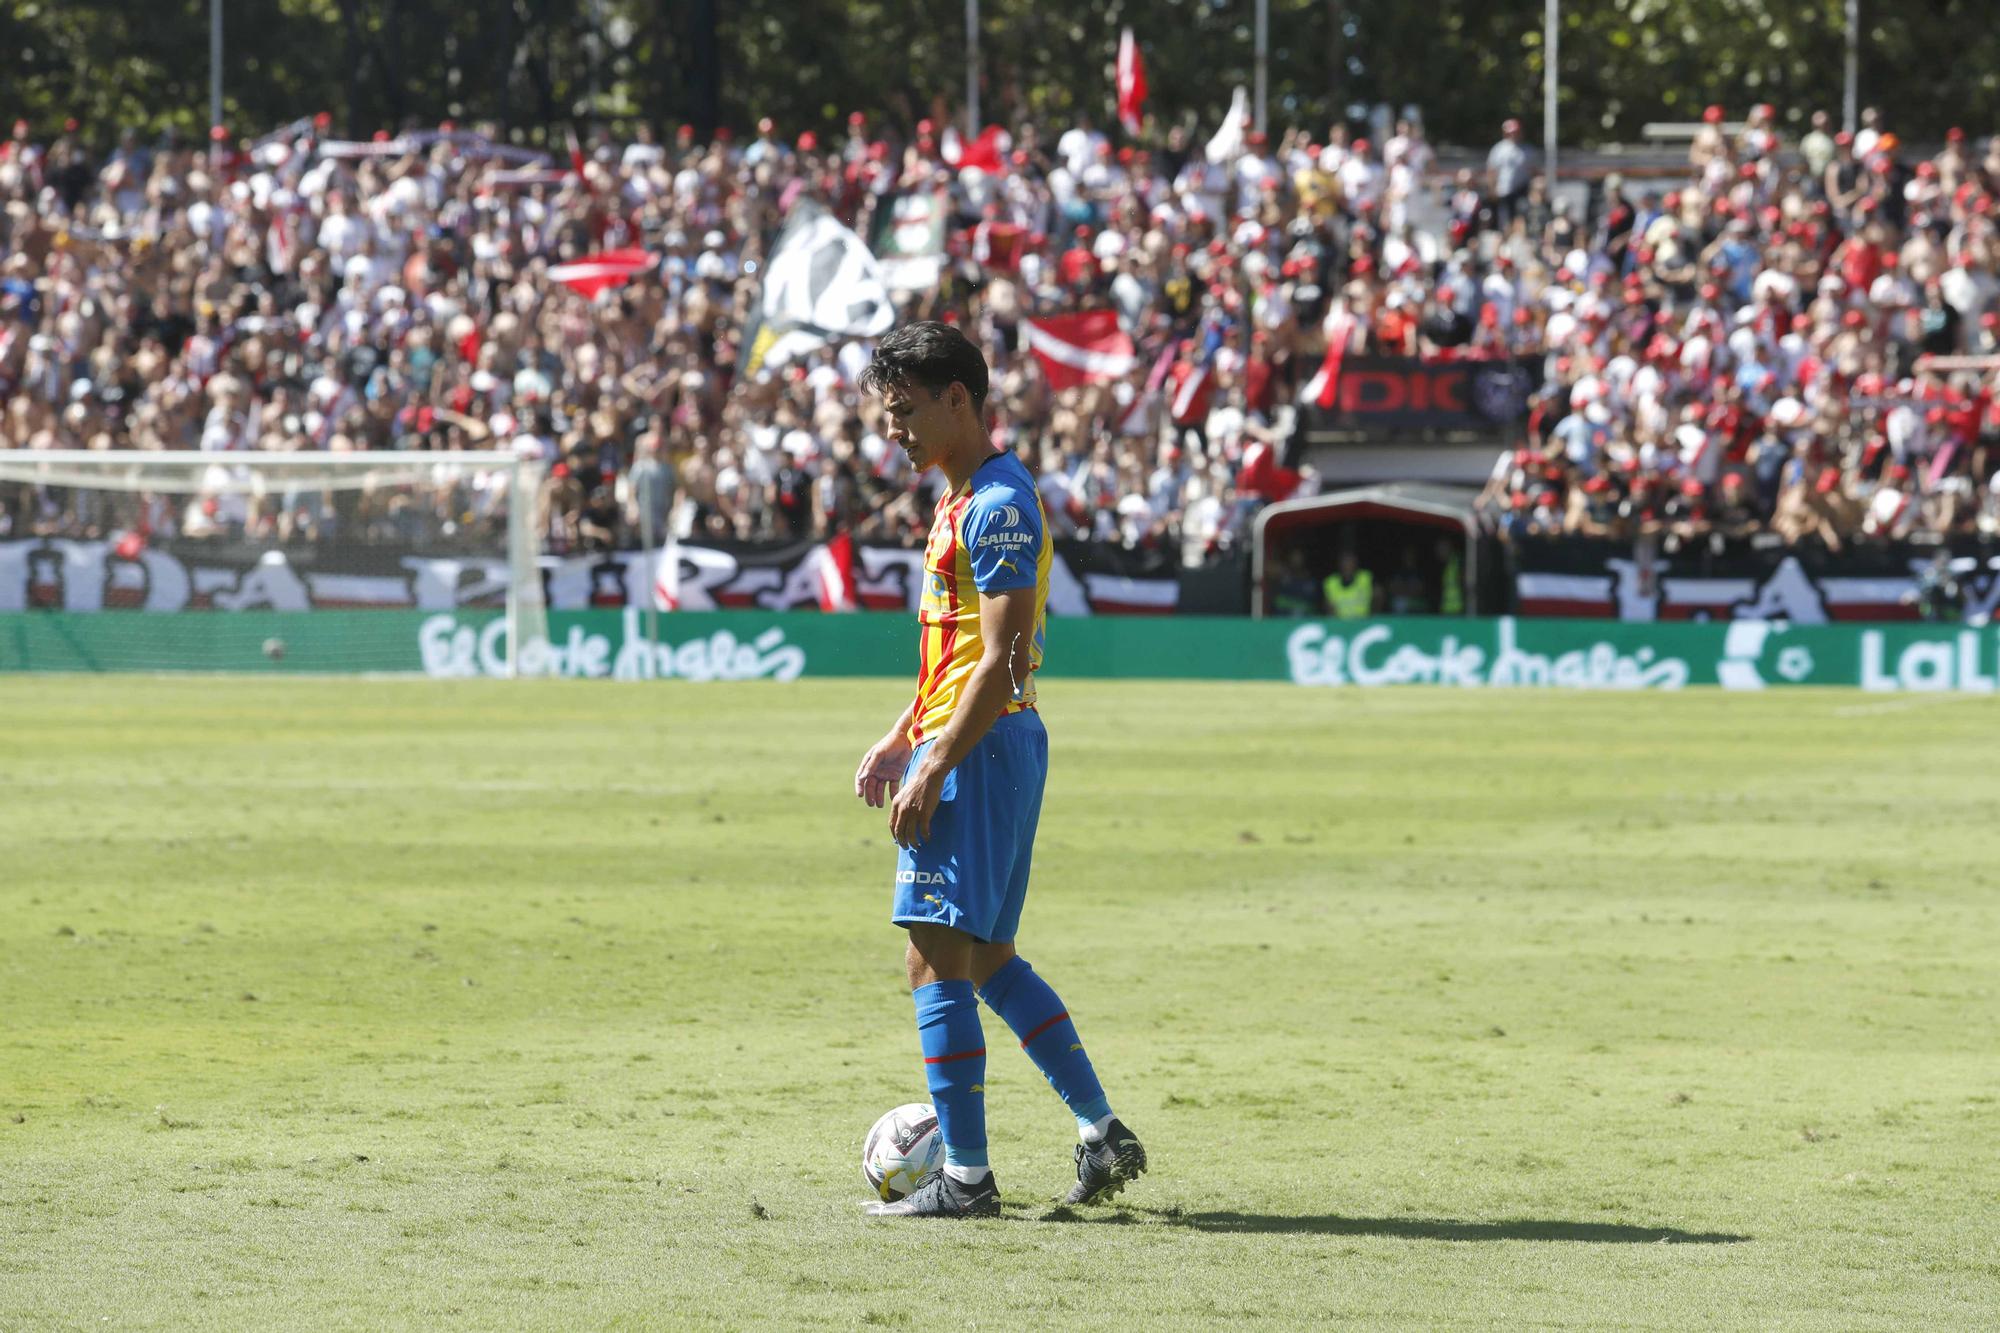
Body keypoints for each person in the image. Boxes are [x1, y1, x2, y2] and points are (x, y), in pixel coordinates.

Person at [850, 322, 1144, 1219]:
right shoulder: (961, 496)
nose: (891, 429)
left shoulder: (999, 504)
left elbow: (1003, 655)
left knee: (932, 960)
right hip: (981, 739)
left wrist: (937, 757)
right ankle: (1101, 1131)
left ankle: (966, 1180)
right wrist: (905, 731)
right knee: (985, 957)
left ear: (958, 400)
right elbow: (955, 651)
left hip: (981, 744)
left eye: (904, 411)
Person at [1323, 549, 1373, 618]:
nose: (1347, 565)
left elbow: (1378, 595)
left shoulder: (1366, 578)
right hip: (1341, 624)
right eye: (1345, 562)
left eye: (1350, 562)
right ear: (1339, 564)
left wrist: (1374, 616)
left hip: (1364, 622)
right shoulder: (1331, 582)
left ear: (1356, 563)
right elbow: (1329, 607)